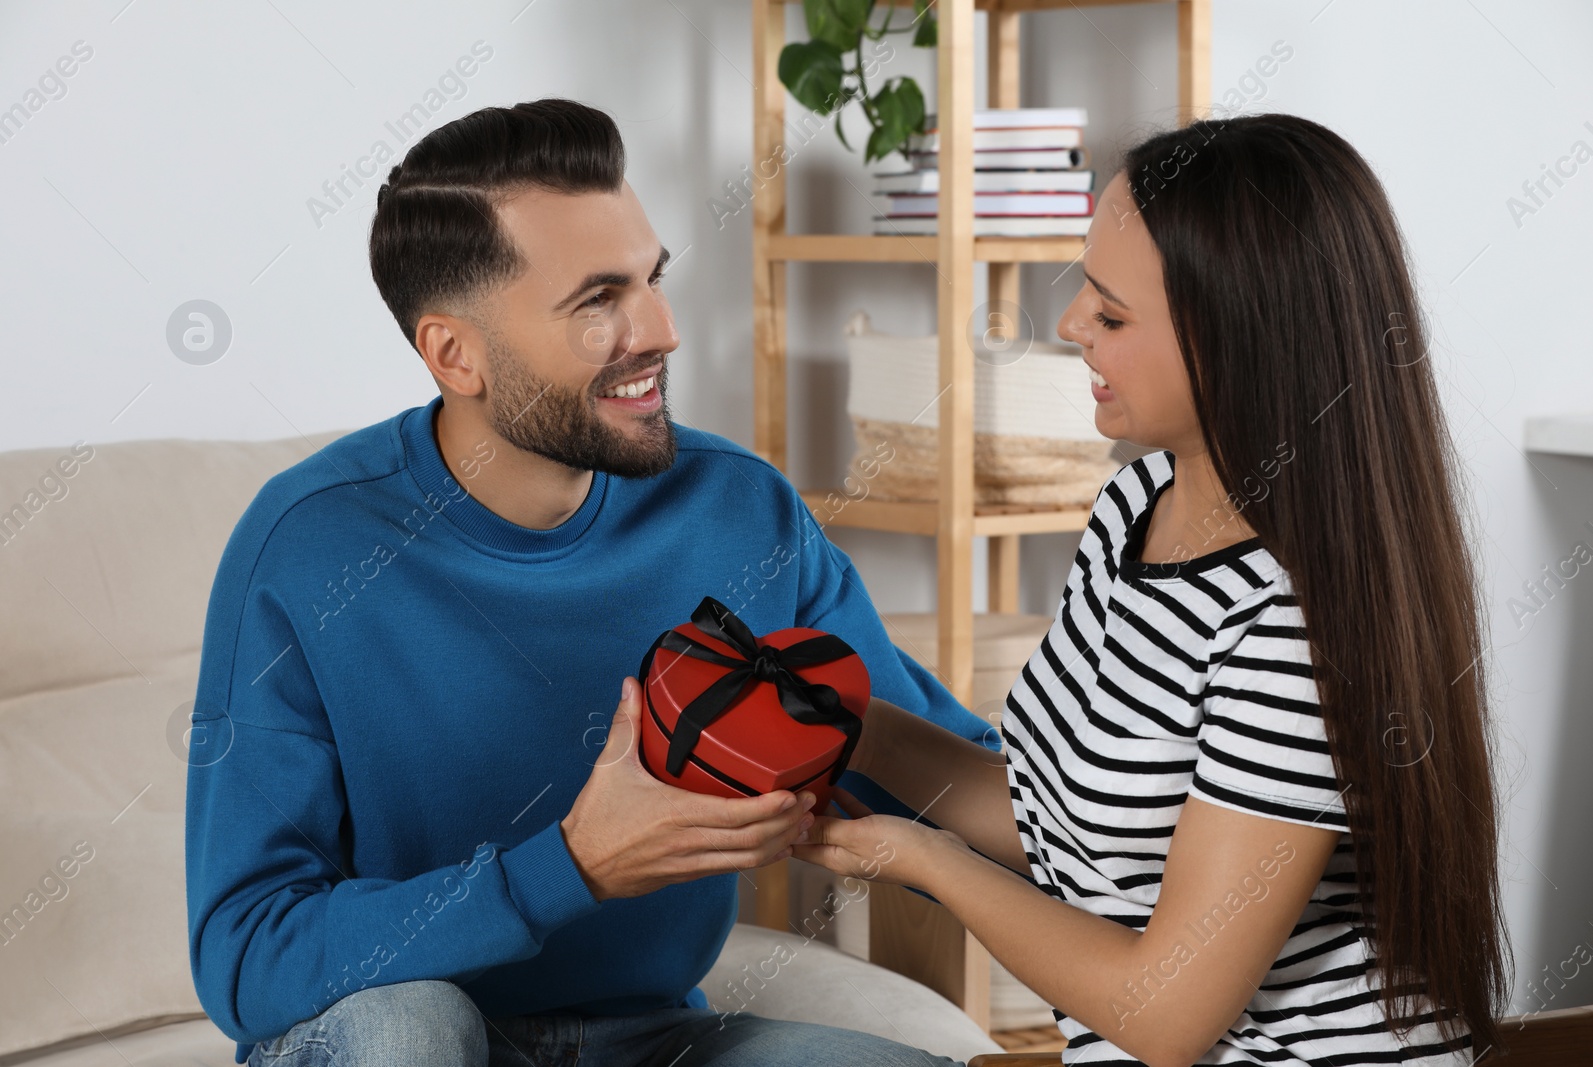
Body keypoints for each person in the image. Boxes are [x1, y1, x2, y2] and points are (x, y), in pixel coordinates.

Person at [184, 98, 990, 1067]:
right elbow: (246, 958)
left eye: (652, 279)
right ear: (455, 352)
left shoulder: (737, 510)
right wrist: (567, 868)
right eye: (597, 300)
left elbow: (942, 779)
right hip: (398, 1030)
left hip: (654, 1038)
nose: (660, 329)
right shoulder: (309, 545)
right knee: (412, 1030)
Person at [798, 113, 1508, 1067]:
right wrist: (848, 727)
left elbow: (1166, 1014)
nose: (1067, 325)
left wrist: (920, 860)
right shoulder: (1138, 501)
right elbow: (1065, 824)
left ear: (1236, 338)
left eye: (1111, 312)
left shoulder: (1290, 621)